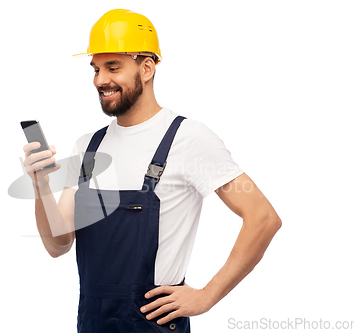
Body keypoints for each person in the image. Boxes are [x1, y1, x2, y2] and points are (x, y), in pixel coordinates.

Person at [23, 9, 281, 333]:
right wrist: (41, 186)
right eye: (96, 69)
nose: (100, 80)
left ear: (146, 68)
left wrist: (206, 296)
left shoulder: (188, 139)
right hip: (91, 323)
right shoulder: (88, 147)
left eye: (113, 67)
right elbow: (58, 245)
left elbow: (263, 218)